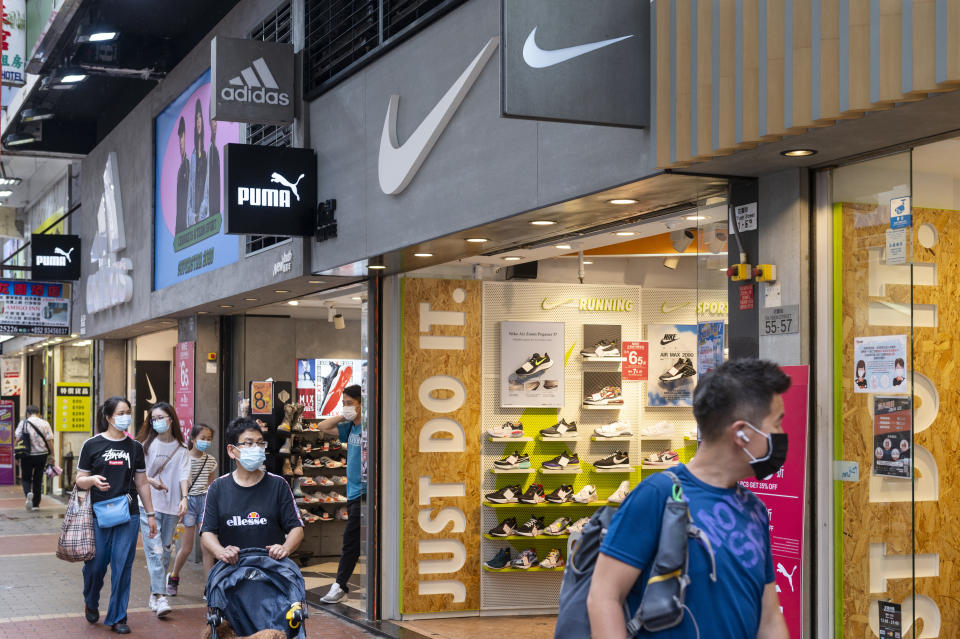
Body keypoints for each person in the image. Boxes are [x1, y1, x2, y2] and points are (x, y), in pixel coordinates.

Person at [587, 359, 791, 638]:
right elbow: (603, 596)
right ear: (741, 433)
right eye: (777, 424)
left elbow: (769, 617)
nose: (781, 436)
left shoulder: (754, 509)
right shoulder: (657, 495)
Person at [76, 396, 158, 635]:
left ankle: (118, 617)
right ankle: (91, 599)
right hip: (98, 515)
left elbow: (142, 483)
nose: (126, 417)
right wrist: (91, 480)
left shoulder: (135, 447)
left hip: (128, 513)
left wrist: (150, 515)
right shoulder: (92, 445)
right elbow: (79, 480)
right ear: (109, 417)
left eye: (128, 412)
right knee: (96, 564)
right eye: (121, 412)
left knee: (123, 566)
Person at [201, 416, 303, 565]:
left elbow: (296, 528)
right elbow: (207, 532)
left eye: (260, 443)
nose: (256, 448)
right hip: (232, 575)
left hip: (271, 573)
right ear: (231, 450)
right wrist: (220, 551)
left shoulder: (279, 485)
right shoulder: (217, 488)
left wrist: (285, 548)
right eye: (249, 443)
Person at [134, 401, 190, 618]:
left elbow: (184, 475)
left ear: (171, 419)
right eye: (153, 419)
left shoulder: (182, 448)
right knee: (155, 551)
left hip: (172, 507)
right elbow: (137, 474)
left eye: (161, 417)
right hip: (148, 506)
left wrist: (185, 498)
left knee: (165, 552)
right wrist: (152, 482)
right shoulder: (145, 445)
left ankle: (153, 595)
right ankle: (160, 596)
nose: (157, 422)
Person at [316, 385, 366, 604]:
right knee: (356, 542)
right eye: (344, 403)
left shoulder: (369, 426)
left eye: (350, 403)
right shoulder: (350, 428)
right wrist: (344, 413)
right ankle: (346, 584)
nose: (346, 407)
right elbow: (323, 426)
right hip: (353, 492)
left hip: (366, 492)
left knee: (351, 541)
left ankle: (340, 585)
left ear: (363, 403)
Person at [168, 422, 218, 595]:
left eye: (209, 439)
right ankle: (174, 577)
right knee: (187, 548)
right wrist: (180, 505)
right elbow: (178, 485)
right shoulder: (184, 458)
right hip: (188, 503)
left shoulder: (211, 461)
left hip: (205, 503)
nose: (206, 441)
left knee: (207, 548)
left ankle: (209, 587)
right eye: (202, 438)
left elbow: (211, 485)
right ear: (193, 439)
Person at [15, 405, 54, 511]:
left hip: (26, 455)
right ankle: (36, 505)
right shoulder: (45, 423)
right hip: (42, 455)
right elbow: (49, 440)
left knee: (26, 478)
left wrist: (15, 454)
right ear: (38, 413)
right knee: (38, 479)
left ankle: (28, 493)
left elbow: (18, 439)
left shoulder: (23, 423)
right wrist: (52, 455)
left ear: (28, 413)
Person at [175, 116, 190, 234]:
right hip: (180, 229)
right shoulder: (180, 170)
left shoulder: (189, 165)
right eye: (179, 137)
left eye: (182, 136)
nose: (181, 142)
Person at [207, 118, 220, 218]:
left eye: (216, 121)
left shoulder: (218, 146)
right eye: (213, 121)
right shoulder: (210, 150)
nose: (215, 124)